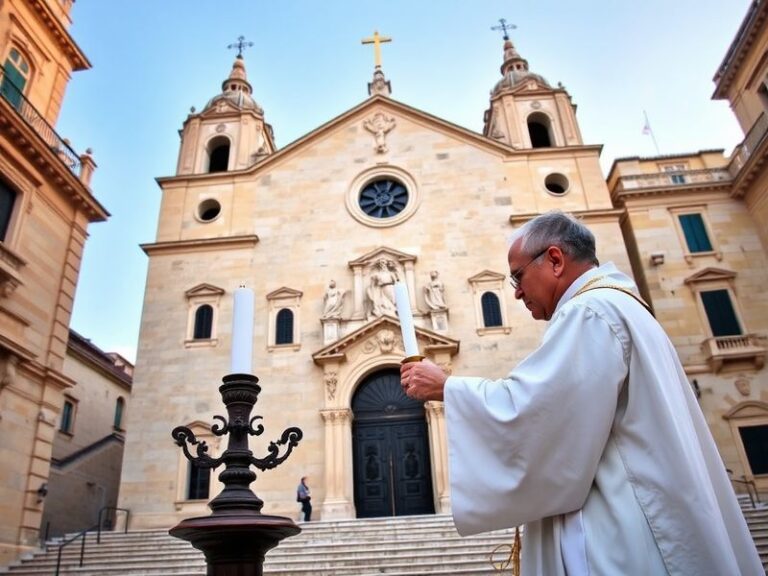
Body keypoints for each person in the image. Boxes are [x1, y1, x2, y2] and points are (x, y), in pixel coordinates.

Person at [400, 211, 762, 575]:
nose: (516, 291)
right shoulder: (618, 305)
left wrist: (448, 387)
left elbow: (537, 410)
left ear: (555, 260)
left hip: (620, 530)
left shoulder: (588, 312)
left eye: (518, 276)